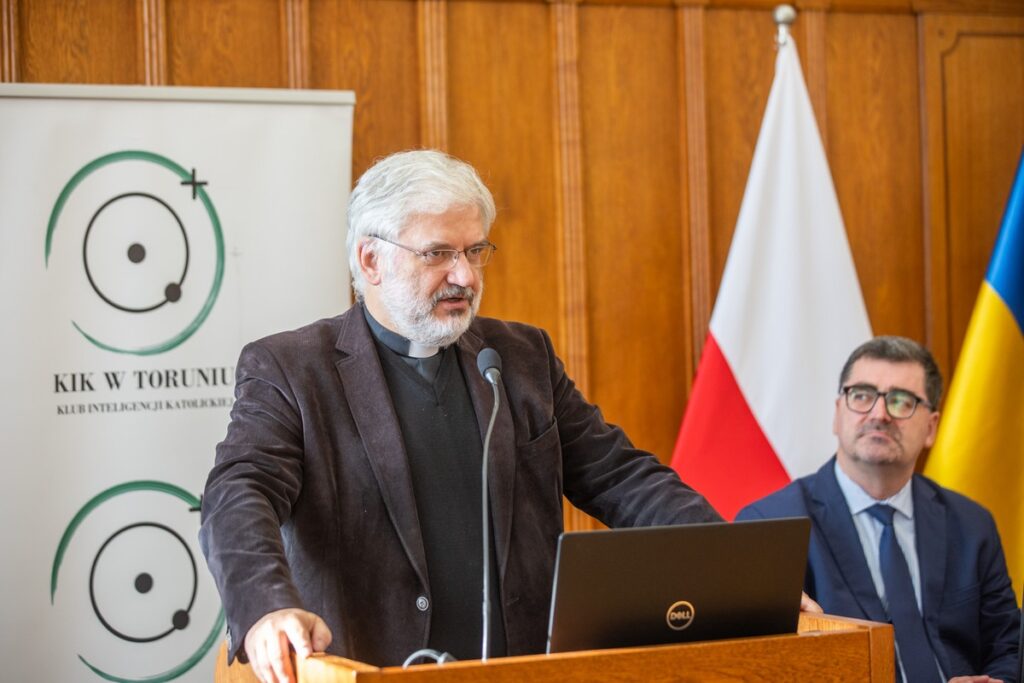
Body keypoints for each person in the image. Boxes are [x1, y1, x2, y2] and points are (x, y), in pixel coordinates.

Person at [199, 149, 723, 683]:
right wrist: (266, 607)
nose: (465, 276)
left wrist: (729, 569)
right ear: (370, 261)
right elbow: (240, 492)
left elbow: (621, 477)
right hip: (373, 669)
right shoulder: (292, 369)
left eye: (475, 250)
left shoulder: (519, 357)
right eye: (438, 254)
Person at [737, 336, 1020, 682]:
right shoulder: (771, 525)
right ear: (837, 414)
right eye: (862, 396)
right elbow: (767, 666)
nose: (879, 414)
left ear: (931, 428)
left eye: (901, 402)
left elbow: (1008, 645)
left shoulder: (971, 524)